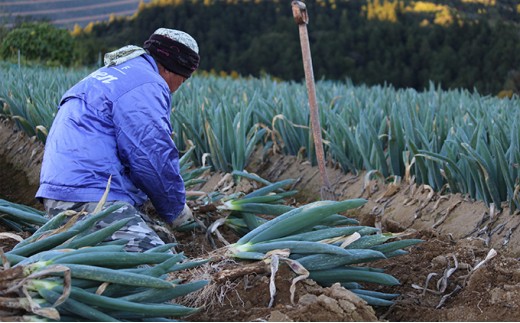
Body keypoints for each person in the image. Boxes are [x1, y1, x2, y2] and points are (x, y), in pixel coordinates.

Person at [36, 28, 200, 252]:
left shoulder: (120, 72)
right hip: (90, 197)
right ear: (173, 70)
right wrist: (177, 209)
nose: (178, 87)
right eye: (183, 80)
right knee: (162, 261)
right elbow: (152, 157)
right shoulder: (147, 84)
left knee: (164, 236)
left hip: (62, 193)